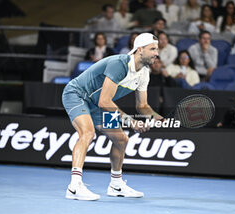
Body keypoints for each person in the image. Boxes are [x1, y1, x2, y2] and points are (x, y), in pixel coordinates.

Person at [62, 33, 163, 201]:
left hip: (98, 105)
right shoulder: (119, 64)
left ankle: (116, 185)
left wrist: (157, 118)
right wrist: (131, 121)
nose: (156, 53)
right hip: (77, 95)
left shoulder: (144, 73)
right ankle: (74, 186)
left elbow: (142, 106)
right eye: (152, 49)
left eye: (157, 49)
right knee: (87, 133)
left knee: (121, 139)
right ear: (139, 50)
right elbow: (104, 101)